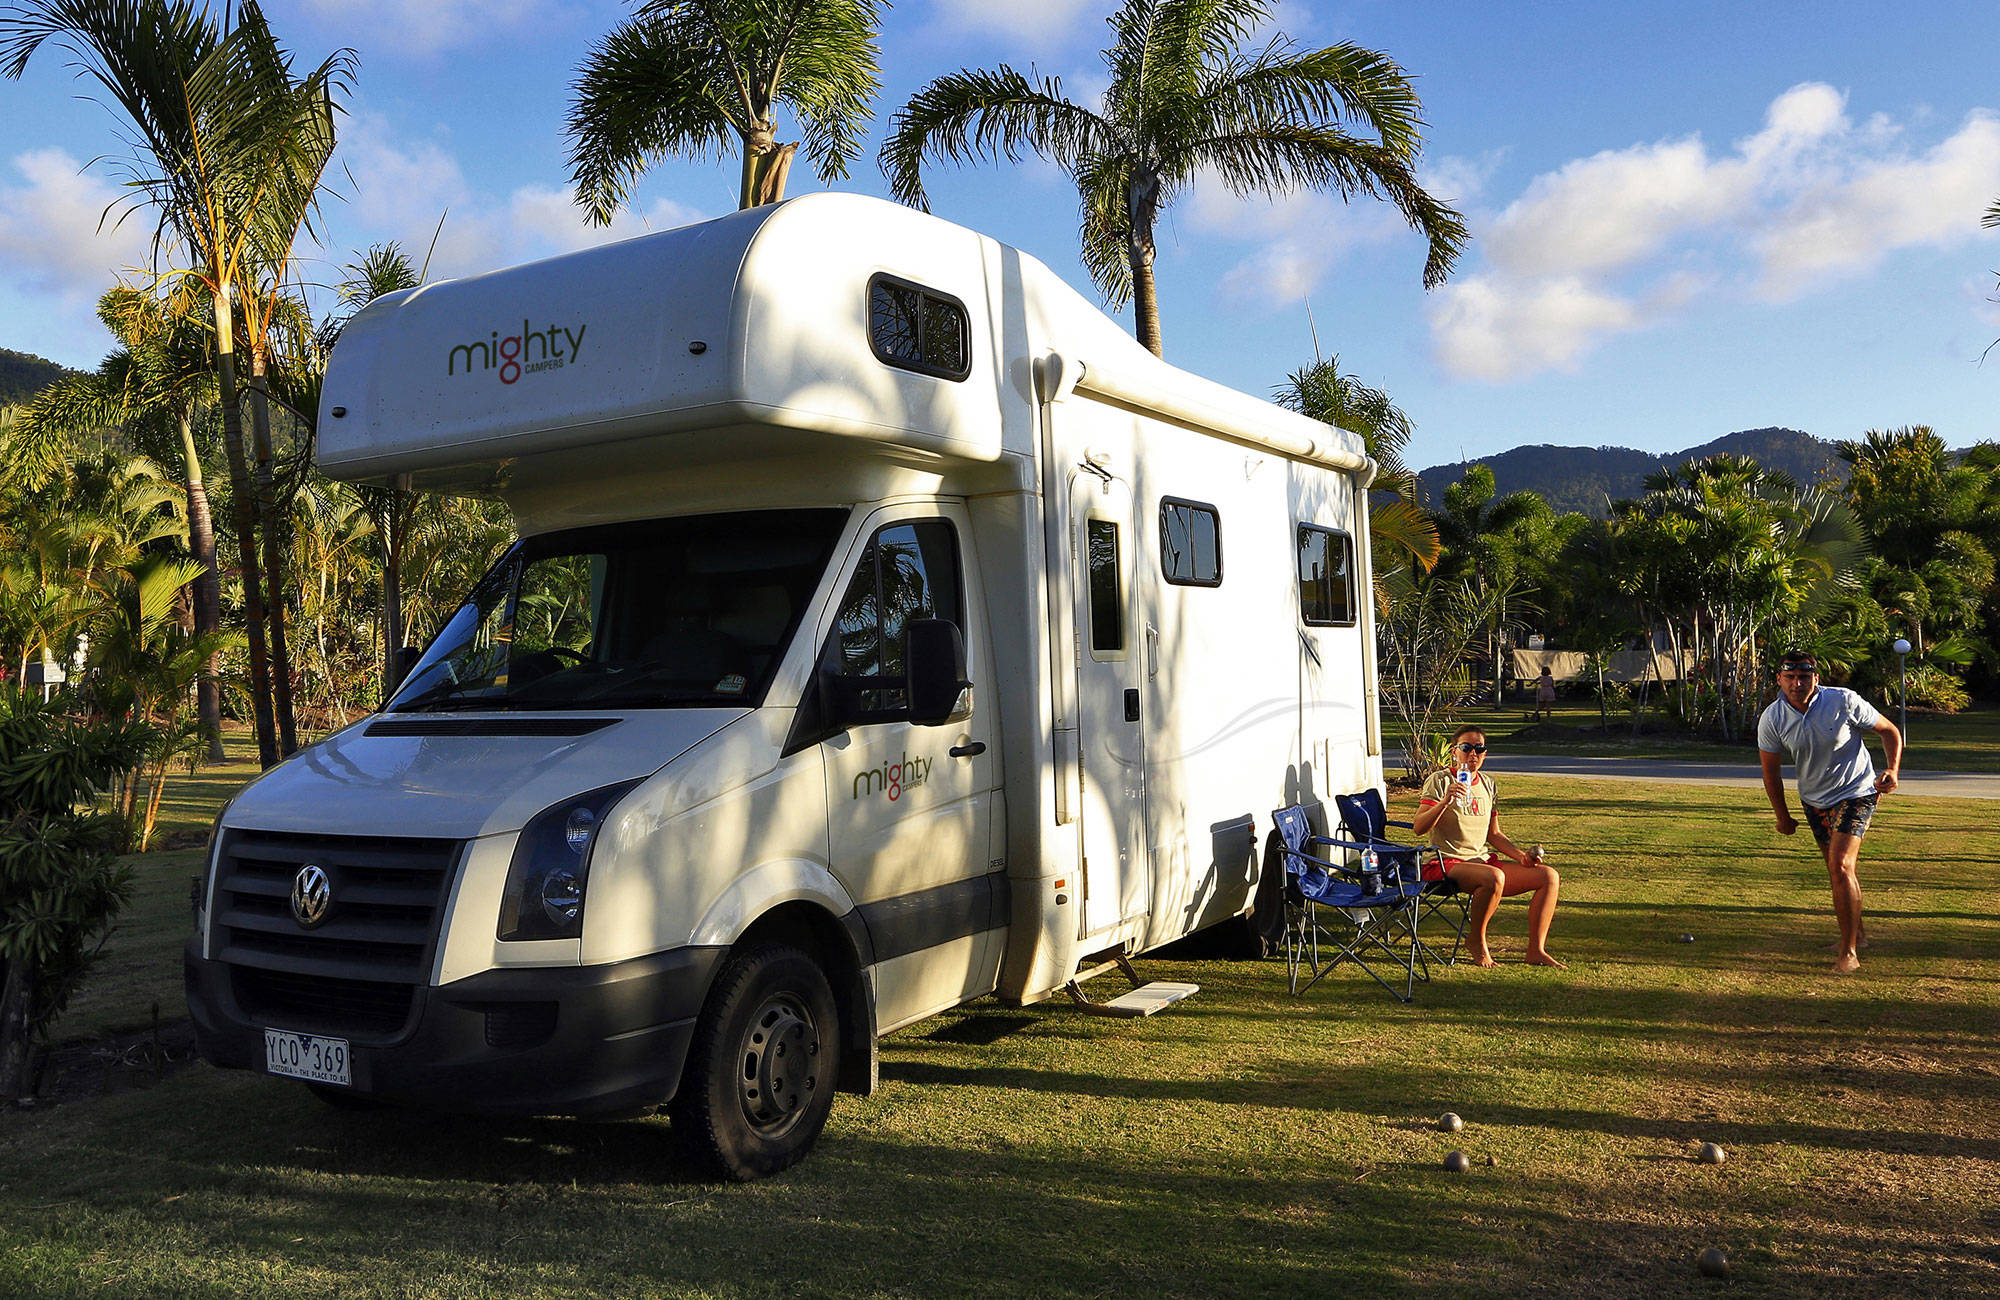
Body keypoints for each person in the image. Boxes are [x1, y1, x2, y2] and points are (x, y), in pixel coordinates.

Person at [1757, 650, 1902, 974]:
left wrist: (1892, 770)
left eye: (1804, 677)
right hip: (1814, 800)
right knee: (1837, 869)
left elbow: (1889, 731)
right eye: (1790, 677)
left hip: (1857, 791)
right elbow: (1771, 773)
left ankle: (1848, 953)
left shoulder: (1843, 701)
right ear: (1779, 680)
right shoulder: (1772, 718)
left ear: (1816, 679)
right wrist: (1783, 817)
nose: (1797, 683)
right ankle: (1858, 935)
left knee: (1840, 864)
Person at [1411, 726, 1565, 968]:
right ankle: (1476, 940)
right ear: (1455, 752)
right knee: (1494, 877)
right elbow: (1419, 828)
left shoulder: (1488, 784)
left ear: (1485, 754)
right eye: (1466, 747)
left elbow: (1494, 834)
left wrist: (1522, 856)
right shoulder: (1440, 781)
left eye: (1479, 748)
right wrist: (1444, 802)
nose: (1473, 753)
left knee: (1548, 876)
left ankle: (1536, 951)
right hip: (1445, 862)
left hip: (1480, 860)